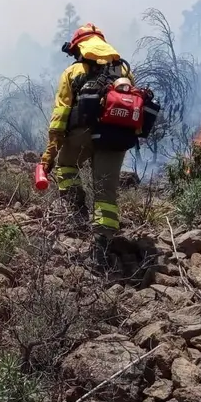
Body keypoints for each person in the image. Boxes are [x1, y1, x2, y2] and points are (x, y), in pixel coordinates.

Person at [41, 23, 135, 264]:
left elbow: (61, 115)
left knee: (65, 166)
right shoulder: (123, 68)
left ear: (79, 48)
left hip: (82, 135)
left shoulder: (73, 72)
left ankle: (77, 209)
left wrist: (49, 154)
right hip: (115, 138)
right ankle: (103, 244)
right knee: (106, 192)